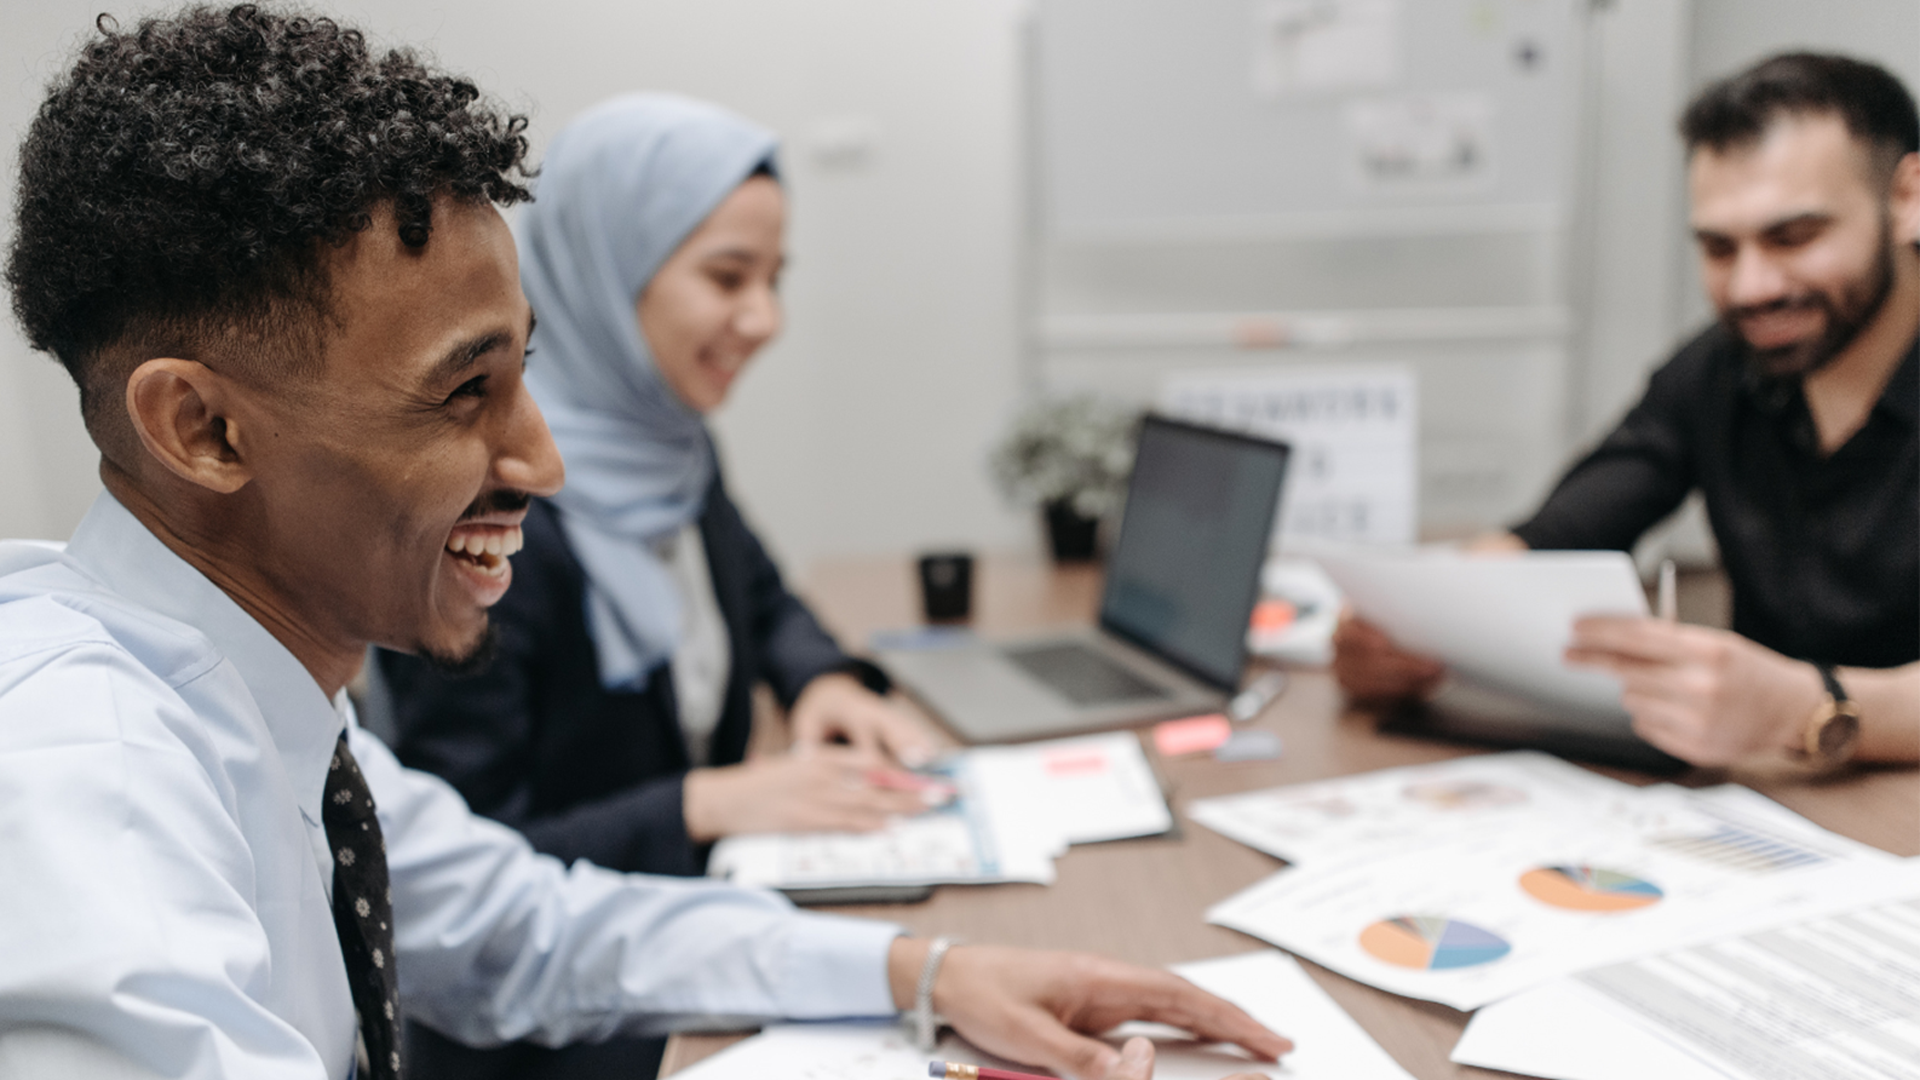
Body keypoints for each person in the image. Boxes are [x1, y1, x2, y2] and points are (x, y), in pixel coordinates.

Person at [0, 8, 1292, 1079]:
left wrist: (931, 972)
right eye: (464, 394)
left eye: (529, 374)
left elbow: (528, 931)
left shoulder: (267, 708)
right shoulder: (84, 792)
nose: (543, 462)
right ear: (206, 427)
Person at [368, 89, 950, 1080]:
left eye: (774, 278)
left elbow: (759, 595)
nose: (764, 319)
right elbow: (473, 858)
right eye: (728, 276)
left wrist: (823, 683)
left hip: (679, 930)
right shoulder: (486, 514)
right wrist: (706, 802)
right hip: (549, 1022)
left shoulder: (667, 446)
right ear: (610, 267)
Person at [1333, 52, 1920, 769]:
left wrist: (1804, 707)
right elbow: (1555, 535)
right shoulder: (1717, 369)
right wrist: (1406, 627)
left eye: (1793, 237)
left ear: (1907, 199)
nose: (1751, 287)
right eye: (1717, 248)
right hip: (1777, 801)